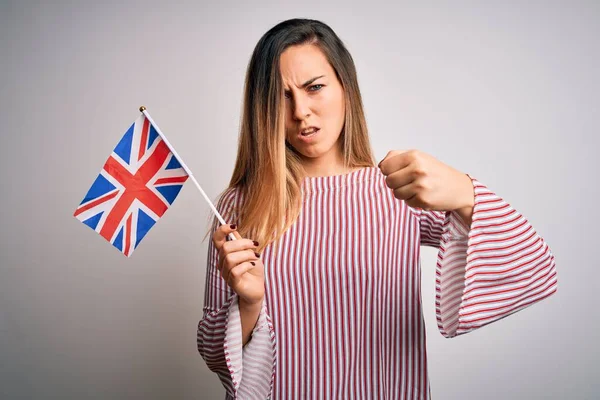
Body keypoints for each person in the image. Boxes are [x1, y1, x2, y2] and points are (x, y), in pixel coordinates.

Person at [197, 18, 558, 399]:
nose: (300, 111)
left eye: (314, 87)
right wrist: (249, 304)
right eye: (280, 96)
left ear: (345, 88)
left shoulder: (398, 188)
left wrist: (467, 194)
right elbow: (212, 353)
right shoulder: (241, 203)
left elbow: (532, 268)